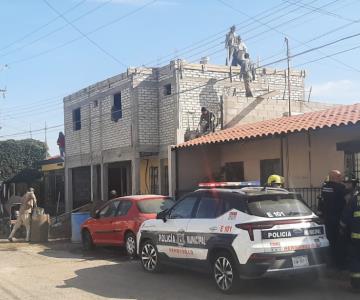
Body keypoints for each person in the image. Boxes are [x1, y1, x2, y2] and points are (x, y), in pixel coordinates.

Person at [318, 170, 346, 269]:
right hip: (338, 218)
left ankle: (330, 263)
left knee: (330, 241)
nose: (342, 178)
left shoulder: (324, 188)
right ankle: (339, 264)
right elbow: (346, 202)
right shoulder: (341, 188)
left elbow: (321, 202)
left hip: (327, 218)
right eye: (339, 177)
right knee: (339, 242)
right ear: (335, 177)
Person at [339, 177, 360, 291]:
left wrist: (342, 228)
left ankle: (356, 285)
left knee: (356, 259)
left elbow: (345, 216)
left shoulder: (354, 199)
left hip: (356, 237)